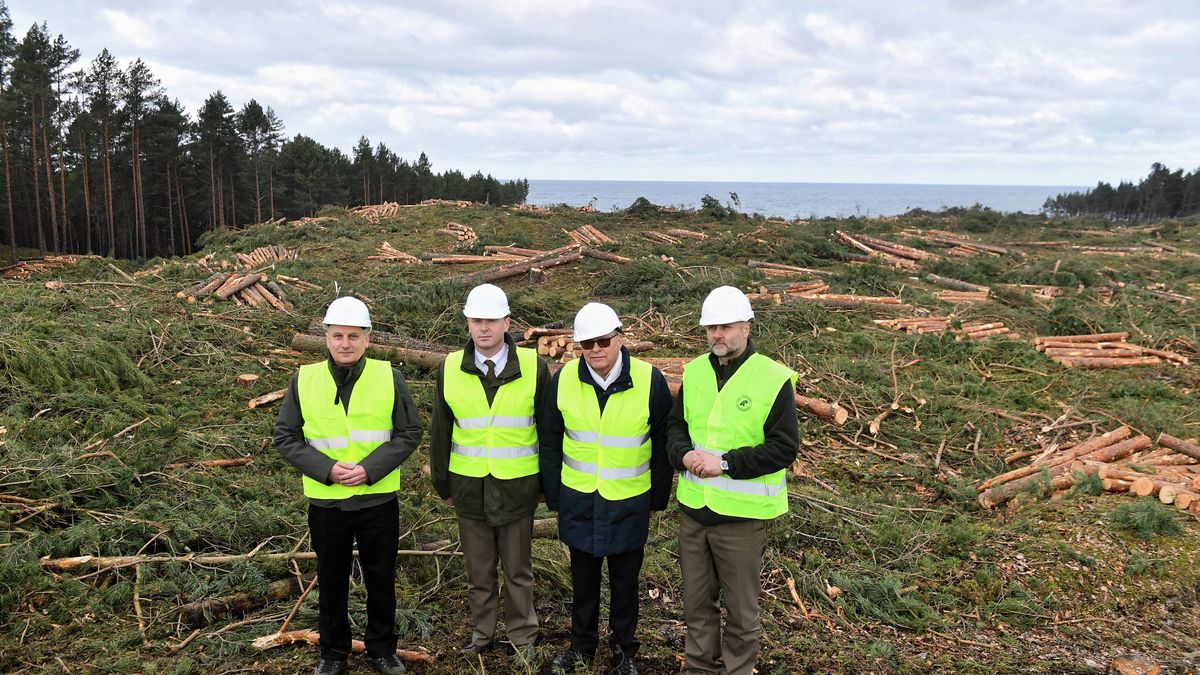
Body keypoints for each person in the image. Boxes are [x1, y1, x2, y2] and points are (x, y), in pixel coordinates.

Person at [274, 296, 423, 675]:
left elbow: (408, 432)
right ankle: (333, 652)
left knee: (380, 577)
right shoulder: (304, 378)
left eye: (353, 336)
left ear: (367, 338)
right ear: (325, 337)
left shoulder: (389, 376)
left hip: (377, 499)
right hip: (327, 502)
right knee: (332, 578)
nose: (345, 343)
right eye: (338, 335)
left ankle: (382, 649)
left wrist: (370, 469)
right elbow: (286, 436)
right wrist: (326, 469)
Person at [667, 286, 799, 675]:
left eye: (725, 327)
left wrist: (725, 463)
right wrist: (683, 455)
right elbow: (676, 427)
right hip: (695, 512)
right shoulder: (695, 372)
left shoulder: (772, 378)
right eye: (710, 328)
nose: (716, 335)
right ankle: (698, 669)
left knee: (741, 611)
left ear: (747, 326)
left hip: (741, 519)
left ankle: (738, 670)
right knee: (696, 604)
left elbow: (783, 447)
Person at [540, 303, 673, 675]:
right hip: (579, 498)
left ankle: (624, 651)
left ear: (619, 338)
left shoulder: (650, 380)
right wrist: (555, 494)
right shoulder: (564, 379)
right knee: (583, 582)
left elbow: (663, 443)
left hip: (628, 502)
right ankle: (581, 647)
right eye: (587, 343)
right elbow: (550, 439)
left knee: (625, 583)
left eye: (602, 341)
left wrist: (656, 499)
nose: (595, 349)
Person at [429, 283, 550, 660]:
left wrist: (546, 485)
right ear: (467, 323)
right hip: (468, 489)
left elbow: (547, 430)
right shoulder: (450, 367)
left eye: (492, 321)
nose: (484, 328)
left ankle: (523, 637)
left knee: (518, 571)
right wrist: (441, 482)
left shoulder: (534, 366)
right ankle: (482, 635)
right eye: (477, 320)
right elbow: (440, 432)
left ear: (506, 323)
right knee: (478, 573)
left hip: (518, 489)